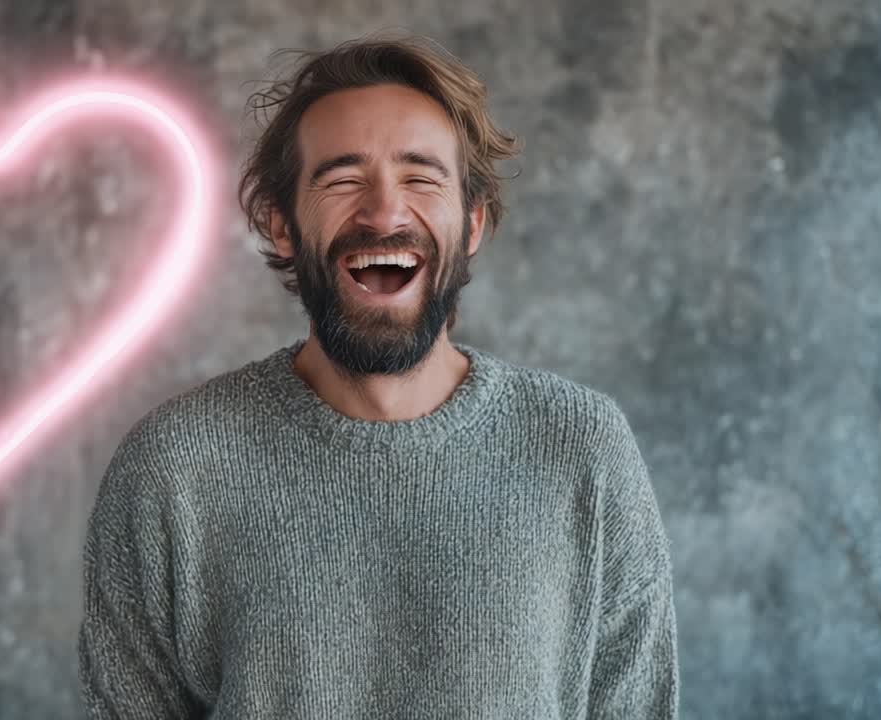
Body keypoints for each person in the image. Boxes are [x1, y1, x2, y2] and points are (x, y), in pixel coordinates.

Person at [78, 31, 679, 719]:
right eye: (340, 179)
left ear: (473, 223)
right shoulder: (171, 469)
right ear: (281, 226)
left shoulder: (584, 449)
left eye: (421, 177)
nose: (385, 211)